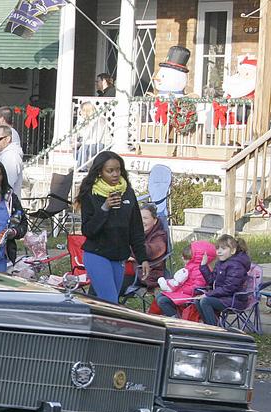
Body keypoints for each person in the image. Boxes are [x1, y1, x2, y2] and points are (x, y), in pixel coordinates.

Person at [76, 152, 149, 303]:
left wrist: (142, 258)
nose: (115, 174)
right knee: (110, 301)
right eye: (110, 171)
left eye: (118, 169)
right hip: (97, 254)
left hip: (119, 255)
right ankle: (110, 326)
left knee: (110, 301)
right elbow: (88, 230)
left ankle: (97, 324)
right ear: (100, 172)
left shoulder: (127, 192)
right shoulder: (91, 193)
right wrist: (105, 208)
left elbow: (136, 228)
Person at [196, 235, 253, 326]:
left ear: (233, 250)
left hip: (235, 300)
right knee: (198, 300)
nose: (219, 251)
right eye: (217, 248)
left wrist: (208, 294)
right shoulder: (221, 263)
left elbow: (229, 288)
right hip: (223, 298)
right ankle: (209, 325)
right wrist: (203, 266)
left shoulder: (236, 266)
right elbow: (211, 281)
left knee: (205, 301)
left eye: (223, 248)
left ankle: (214, 330)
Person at [154, 240, 216, 317]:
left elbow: (197, 287)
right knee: (159, 296)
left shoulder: (201, 271)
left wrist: (181, 289)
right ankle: (175, 314)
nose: (183, 259)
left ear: (196, 259)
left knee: (162, 301)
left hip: (190, 295)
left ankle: (176, 319)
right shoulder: (191, 267)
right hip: (183, 292)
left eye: (186, 258)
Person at [74, 101, 108, 169]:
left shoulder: (99, 120)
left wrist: (81, 143)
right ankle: (81, 167)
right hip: (88, 143)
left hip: (101, 143)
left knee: (84, 148)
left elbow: (98, 138)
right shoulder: (83, 121)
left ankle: (82, 168)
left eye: (82, 110)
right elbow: (78, 134)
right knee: (77, 149)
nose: (81, 113)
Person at [0, 127, 24, 195]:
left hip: (6, 202)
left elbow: (7, 184)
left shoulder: (11, 156)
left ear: (8, 139)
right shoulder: (5, 155)